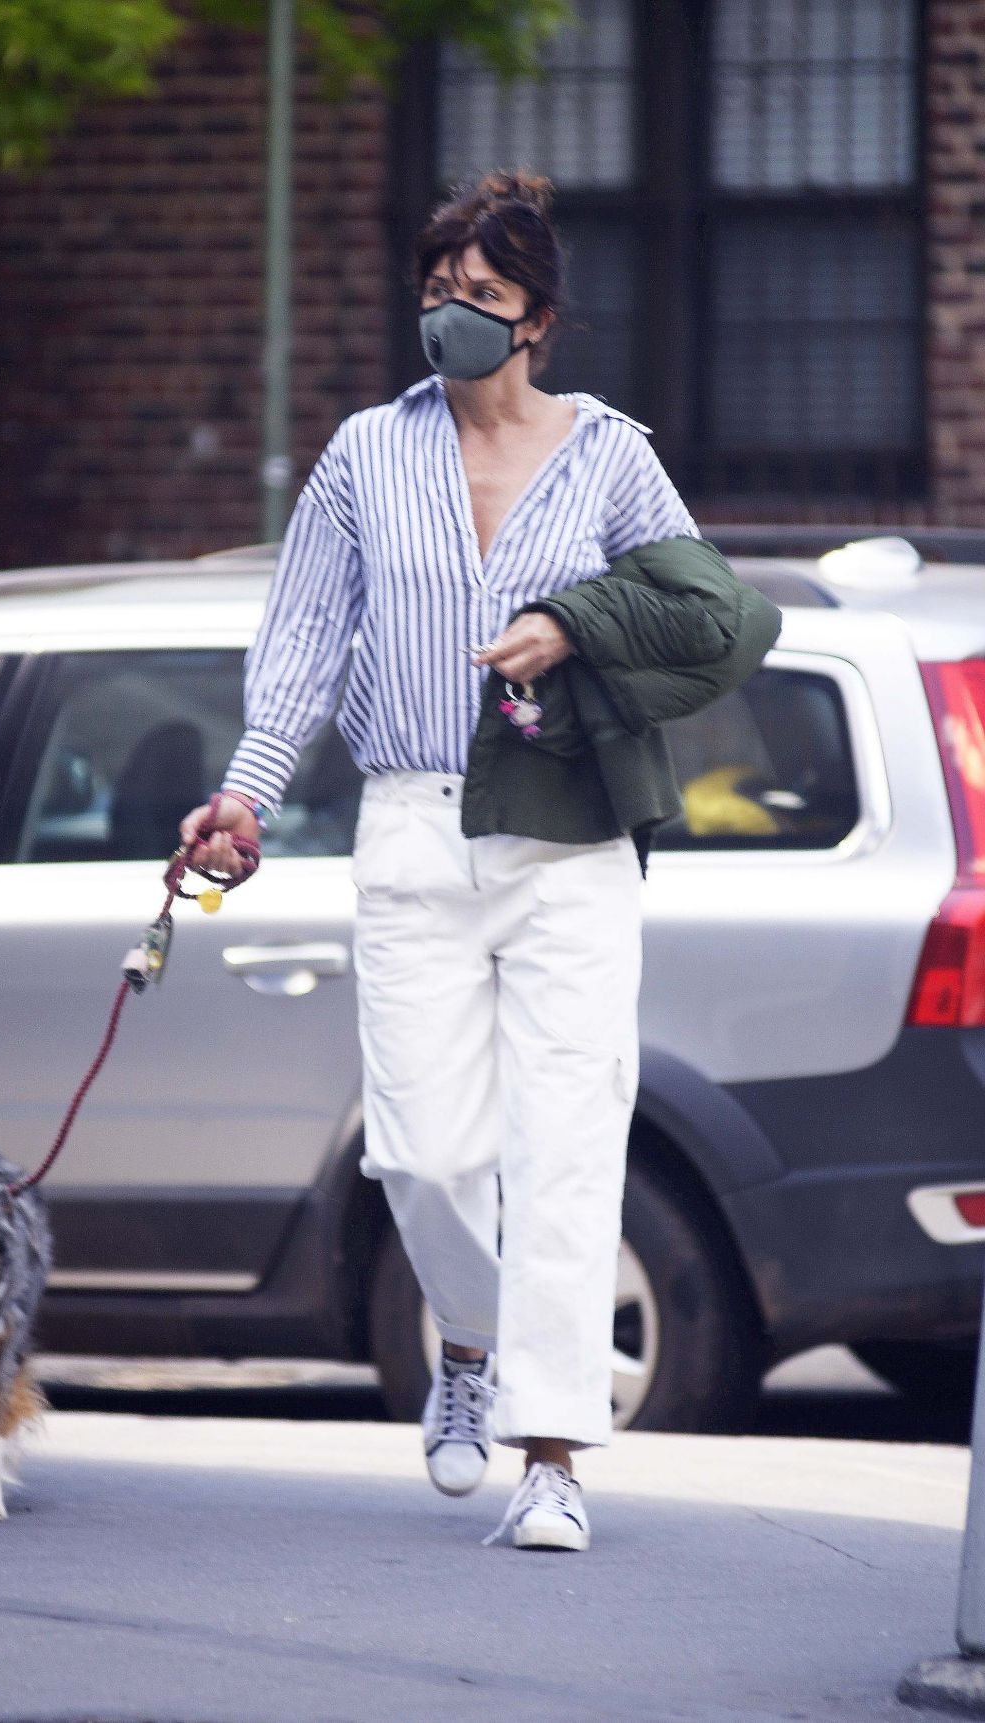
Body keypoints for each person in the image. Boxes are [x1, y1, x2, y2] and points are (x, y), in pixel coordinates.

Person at [180, 170, 778, 1552]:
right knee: (424, 1152)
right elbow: (304, 644)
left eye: (484, 299)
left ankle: (552, 1454)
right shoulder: (362, 454)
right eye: (438, 292)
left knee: (568, 1148)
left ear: (541, 322)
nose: (453, 317)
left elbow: (719, 621)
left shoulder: (611, 455)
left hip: (569, 837)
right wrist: (247, 798)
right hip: (408, 820)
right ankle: (469, 1338)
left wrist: (575, 620)